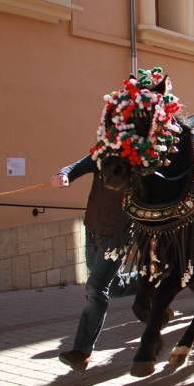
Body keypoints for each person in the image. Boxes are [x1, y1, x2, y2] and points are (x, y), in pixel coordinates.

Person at [51, 155, 129, 371]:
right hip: (92, 230)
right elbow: (77, 166)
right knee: (114, 287)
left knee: (96, 288)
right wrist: (64, 175)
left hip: (118, 236)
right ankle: (149, 283)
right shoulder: (104, 151)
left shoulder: (143, 158)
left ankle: (82, 352)